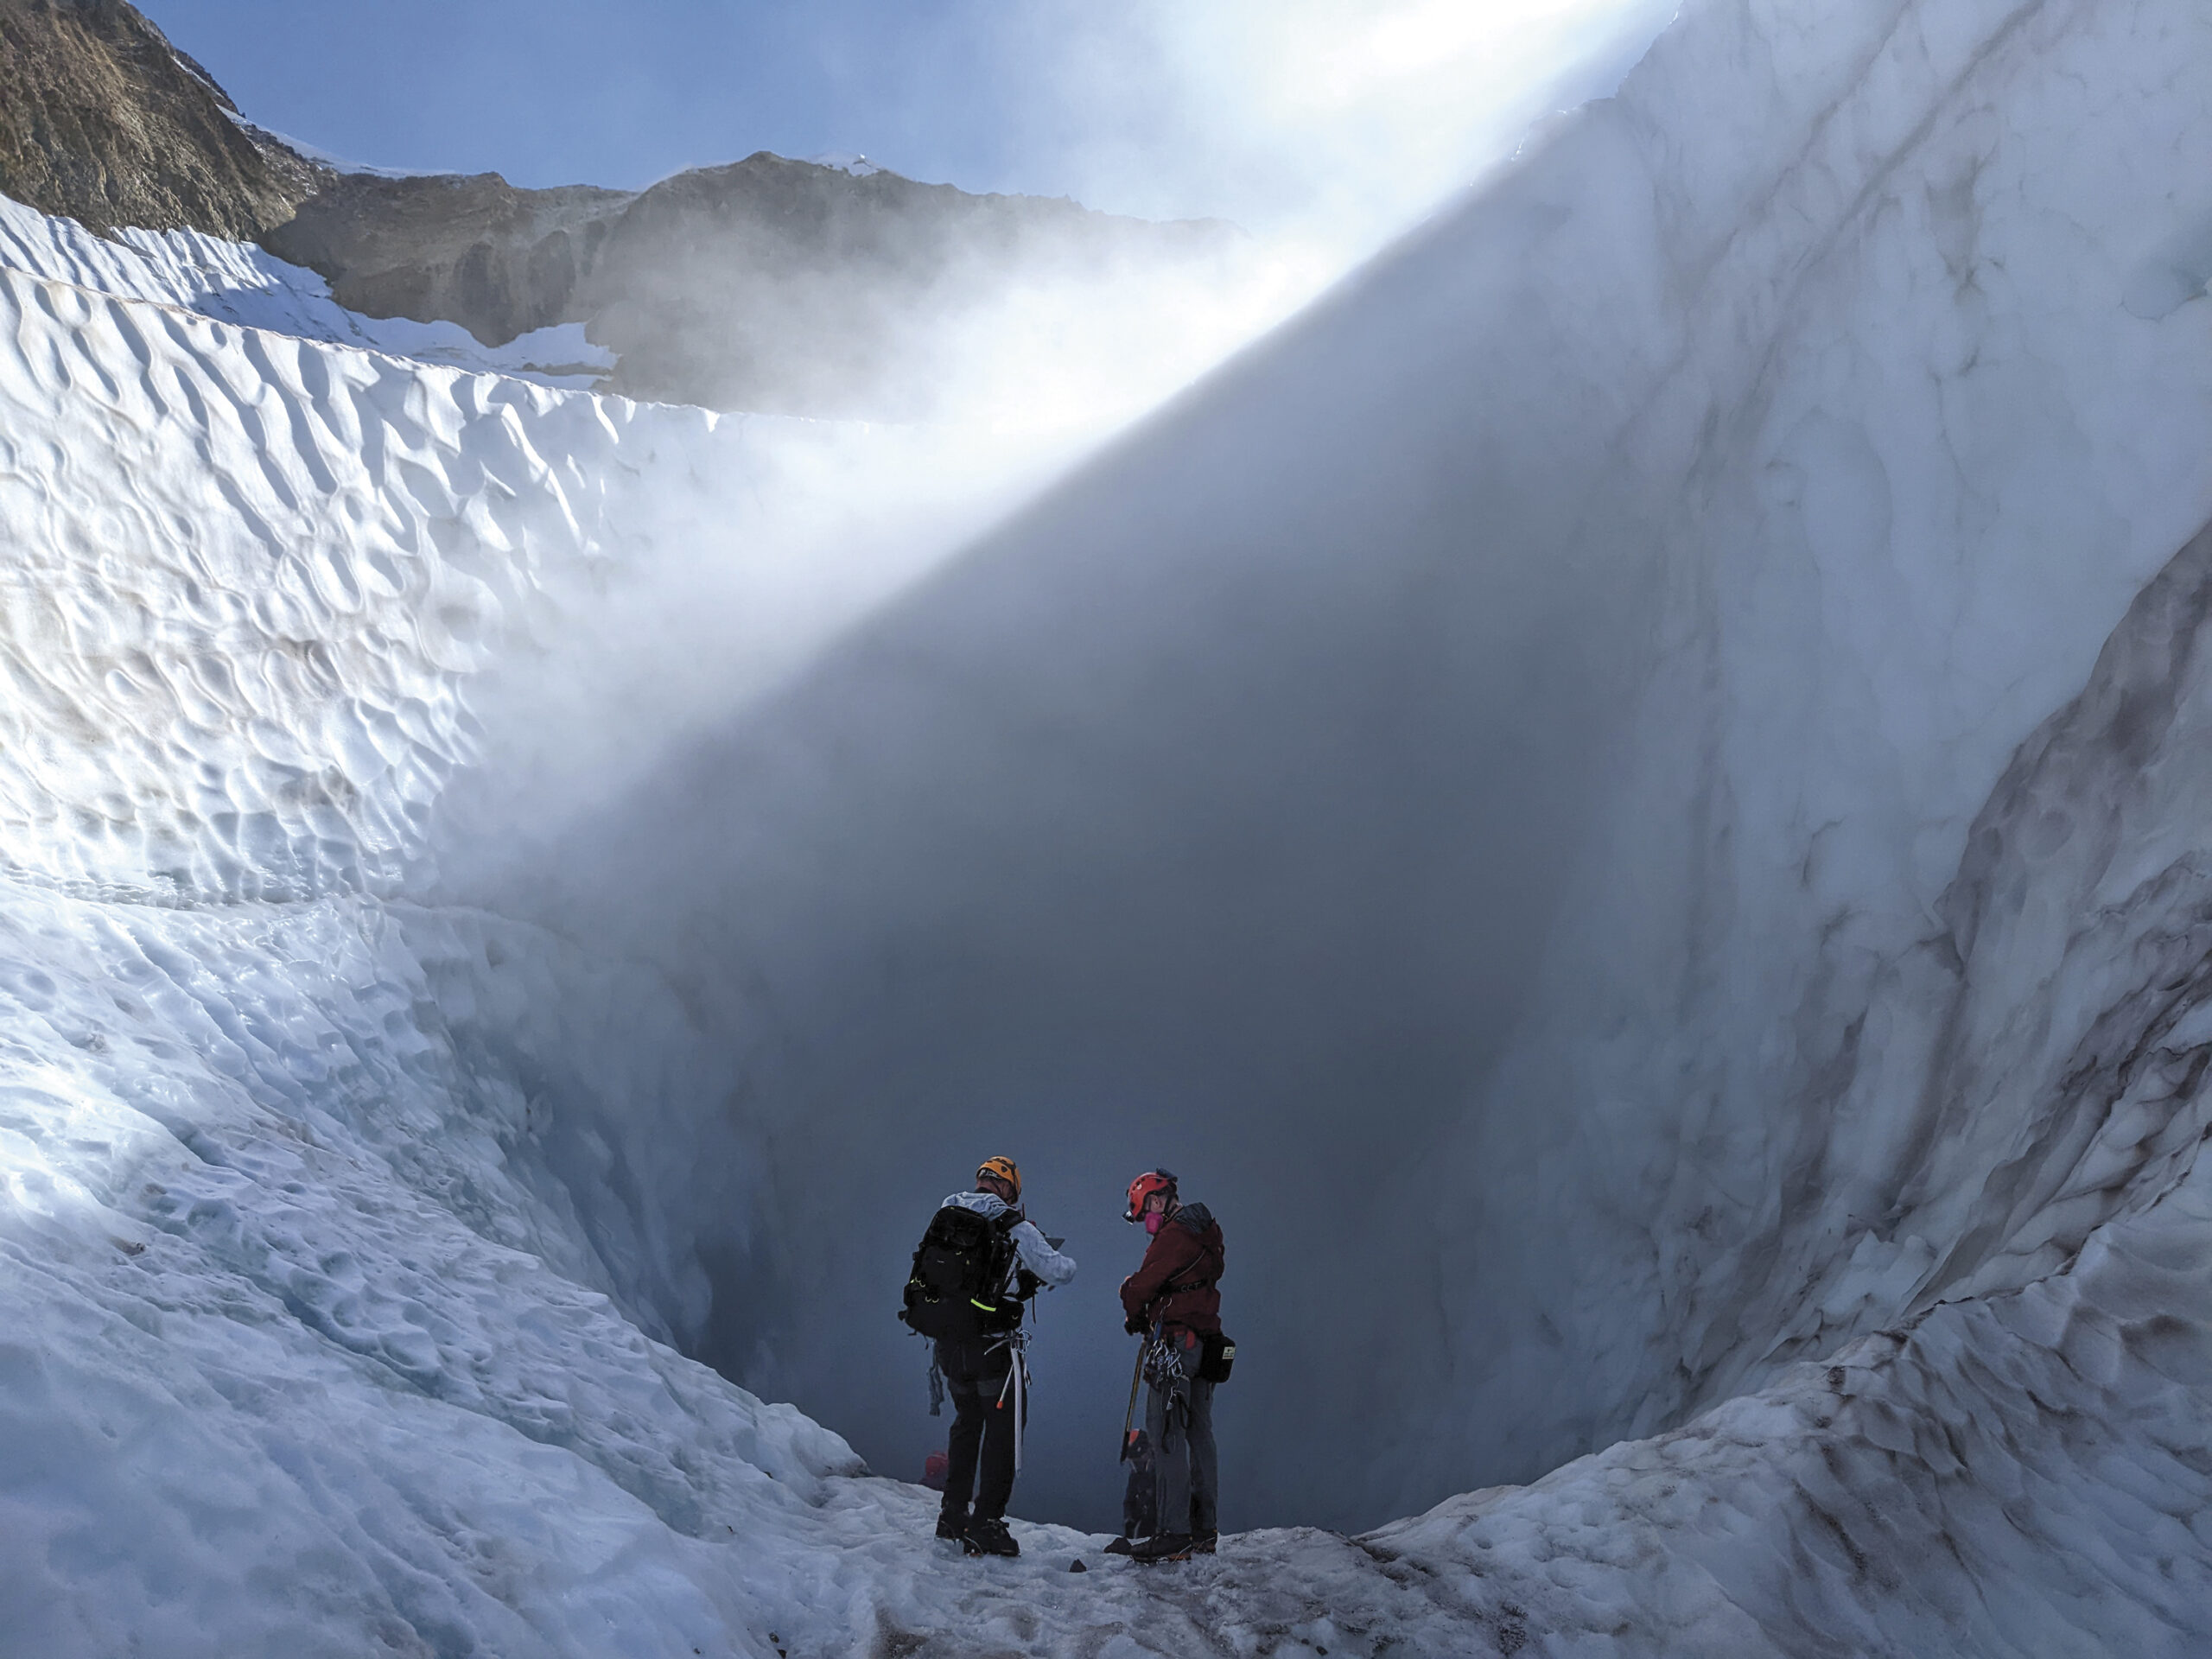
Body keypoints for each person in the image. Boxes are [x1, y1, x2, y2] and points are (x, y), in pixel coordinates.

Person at [905, 1155, 1076, 1558]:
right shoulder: (1013, 1224)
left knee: (966, 1423)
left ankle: (951, 1515)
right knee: (1003, 1432)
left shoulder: (947, 1211)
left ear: (980, 1181)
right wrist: (1040, 1251)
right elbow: (1061, 1272)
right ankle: (987, 1524)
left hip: (949, 1345)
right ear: (1009, 1189)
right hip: (993, 1348)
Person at [1115, 1166, 1225, 1563]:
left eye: (1145, 1212)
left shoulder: (1174, 1235)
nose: (1148, 1222)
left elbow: (1142, 1287)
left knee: (1165, 1435)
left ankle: (1173, 1532)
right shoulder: (1207, 1231)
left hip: (1176, 1345)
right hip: (1205, 1343)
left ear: (1157, 1200)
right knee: (1200, 1433)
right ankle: (1204, 1530)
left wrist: (1130, 1294)